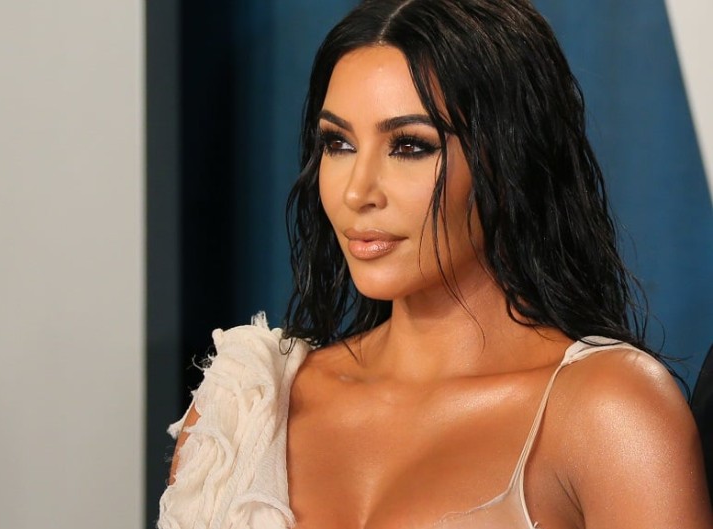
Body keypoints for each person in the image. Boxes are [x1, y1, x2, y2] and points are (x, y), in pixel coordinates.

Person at [158, 0, 713, 527]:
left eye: (409, 146)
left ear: (509, 159)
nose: (357, 192)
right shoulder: (245, 406)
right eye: (338, 144)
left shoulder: (608, 412)